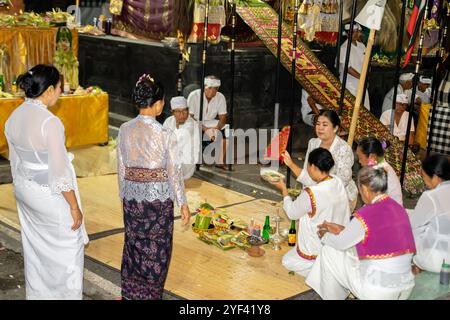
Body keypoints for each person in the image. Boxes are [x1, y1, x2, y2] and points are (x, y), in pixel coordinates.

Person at [4, 64, 89, 300]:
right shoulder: (49, 123)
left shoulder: (14, 115)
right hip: (48, 195)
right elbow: (59, 174)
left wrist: (24, 187)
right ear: (49, 90)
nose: (61, 92)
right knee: (69, 251)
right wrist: (74, 207)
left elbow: (15, 161)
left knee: (36, 249)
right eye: (60, 88)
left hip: (26, 191)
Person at [117, 74, 190, 300]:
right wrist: (183, 203)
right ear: (158, 104)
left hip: (132, 201)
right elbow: (173, 172)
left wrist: (123, 197)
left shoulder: (124, 129)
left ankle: (130, 293)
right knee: (157, 252)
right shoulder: (164, 133)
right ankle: (150, 295)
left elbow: (121, 168)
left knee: (133, 246)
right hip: (157, 205)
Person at [306, 166, 416, 300]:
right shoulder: (398, 208)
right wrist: (342, 230)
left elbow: (340, 244)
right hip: (405, 288)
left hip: (378, 292)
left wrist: (325, 236)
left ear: (364, 189)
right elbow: (372, 235)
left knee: (329, 251)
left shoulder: (367, 213)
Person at [271, 148, 351, 277]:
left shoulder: (311, 193)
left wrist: (284, 190)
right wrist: (290, 164)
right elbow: (311, 180)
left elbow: (292, 213)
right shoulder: (336, 181)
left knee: (287, 261)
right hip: (337, 244)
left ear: (312, 166)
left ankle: (320, 270)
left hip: (316, 248)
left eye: (308, 165)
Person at [283, 109, 358, 210]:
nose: (320, 128)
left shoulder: (343, 148)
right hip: (316, 191)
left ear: (335, 128)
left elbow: (342, 182)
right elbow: (308, 171)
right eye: (318, 124)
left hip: (340, 198)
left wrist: (318, 191)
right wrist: (305, 197)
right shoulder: (313, 143)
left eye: (325, 125)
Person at [409, 155, 450, 274]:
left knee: (406, 228)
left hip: (437, 261)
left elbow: (413, 226)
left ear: (435, 177)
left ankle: (416, 265)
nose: (423, 180)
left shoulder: (430, 196)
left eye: (423, 176)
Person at [187, 75, 230, 170]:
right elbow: (190, 118)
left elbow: (223, 117)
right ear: (204, 87)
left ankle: (220, 162)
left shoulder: (220, 97)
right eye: (210, 88)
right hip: (195, 123)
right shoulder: (194, 96)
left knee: (226, 131)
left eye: (215, 89)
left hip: (210, 123)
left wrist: (217, 130)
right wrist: (206, 130)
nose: (212, 91)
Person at [356, 136, 403, 205]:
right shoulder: (377, 168)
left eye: (360, 158)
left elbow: (376, 203)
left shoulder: (381, 173)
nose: (359, 161)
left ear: (372, 157)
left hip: (390, 211)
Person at [163, 96, 200, 180]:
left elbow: (175, 142)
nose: (182, 114)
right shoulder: (168, 121)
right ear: (172, 112)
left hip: (185, 164)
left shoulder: (192, 124)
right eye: (178, 111)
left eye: (185, 110)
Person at [339, 23, 370, 110]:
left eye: (357, 31)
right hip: (350, 84)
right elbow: (347, 68)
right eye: (353, 32)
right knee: (352, 108)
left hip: (361, 81)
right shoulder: (344, 48)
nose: (356, 34)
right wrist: (362, 78)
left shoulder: (362, 46)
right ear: (347, 34)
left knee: (364, 107)